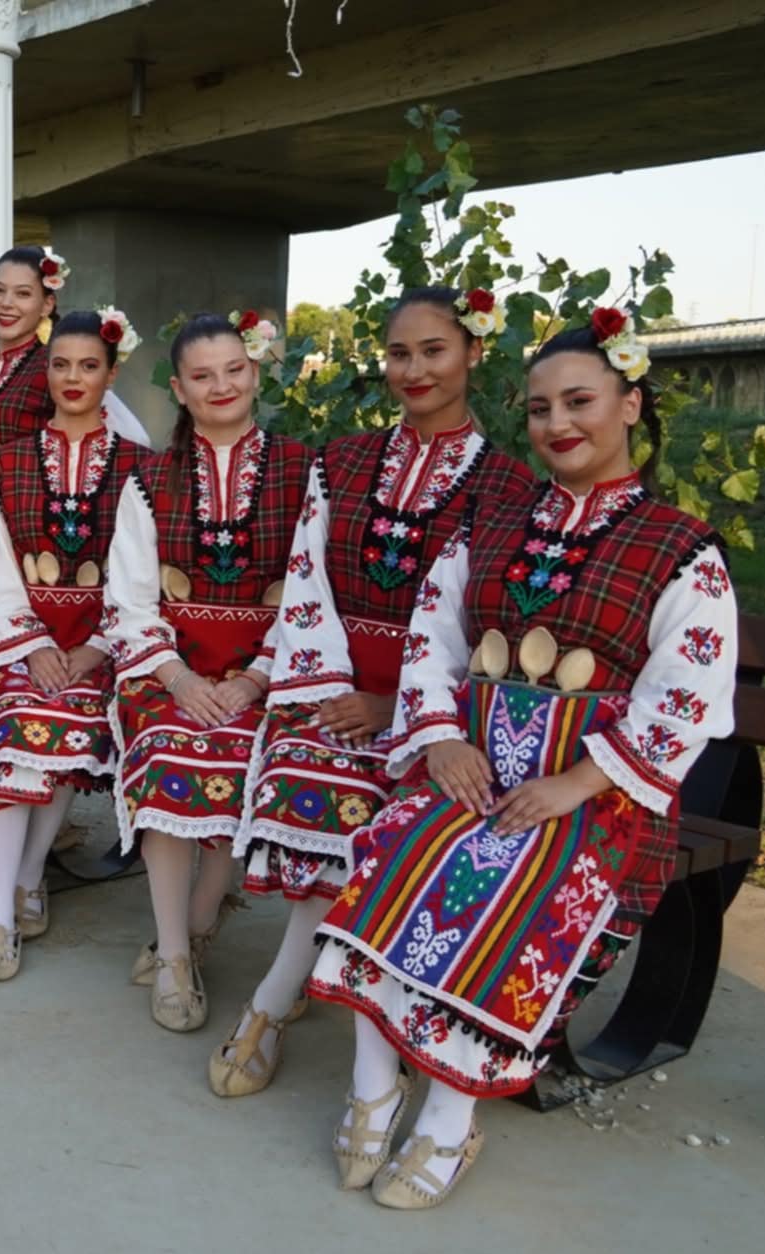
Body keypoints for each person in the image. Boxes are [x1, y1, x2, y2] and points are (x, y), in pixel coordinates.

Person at [307, 310, 736, 1207]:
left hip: (597, 798)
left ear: (630, 405)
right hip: (471, 767)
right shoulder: (493, 524)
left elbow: (684, 695)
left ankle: (449, 1119)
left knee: (512, 884)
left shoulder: (681, 549)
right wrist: (441, 737)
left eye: (580, 402)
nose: (557, 424)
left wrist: (575, 781)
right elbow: (432, 639)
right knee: (392, 845)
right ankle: (374, 1087)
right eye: (541, 409)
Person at [213, 286, 535, 1095]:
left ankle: (273, 999)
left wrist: (400, 709)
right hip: (332, 684)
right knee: (309, 772)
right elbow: (306, 580)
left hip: (438, 713)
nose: (414, 369)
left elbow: (493, 625)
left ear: (473, 352)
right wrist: (331, 691)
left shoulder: (506, 486)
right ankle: (303, 990)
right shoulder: (344, 461)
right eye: (399, 353)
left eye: (434, 350)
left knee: (370, 804)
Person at [102, 311, 311, 1023]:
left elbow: (310, 595)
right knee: (170, 752)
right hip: (171, 671)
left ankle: (197, 920)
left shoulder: (304, 471)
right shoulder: (147, 478)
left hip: (266, 672)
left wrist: (254, 679)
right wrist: (181, 680)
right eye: (202, 375)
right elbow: (129, 598)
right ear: (179, 389)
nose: (221, 386)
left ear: (255, 372)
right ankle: (173, 952)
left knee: (243, 751)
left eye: (234, 370)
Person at [0, 246, 152, 829]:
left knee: (45, 674)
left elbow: (125, 442)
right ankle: (6, 806)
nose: (7, 303)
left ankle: (44, 814)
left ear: (48, 303)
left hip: (38, 550)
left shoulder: (56, 366)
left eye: (23, 293)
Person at [0, 309, 149, 984]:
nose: (74, 377)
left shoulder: (138, 466)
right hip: (27, 640)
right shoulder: (8, 460)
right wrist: (31, 643)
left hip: (102, 644)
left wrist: (98, 647)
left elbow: (139, 574)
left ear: (111, 373)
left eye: (89, 365)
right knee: (20, 725)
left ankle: (32, 872)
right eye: (61, 364)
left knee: (78, 722)